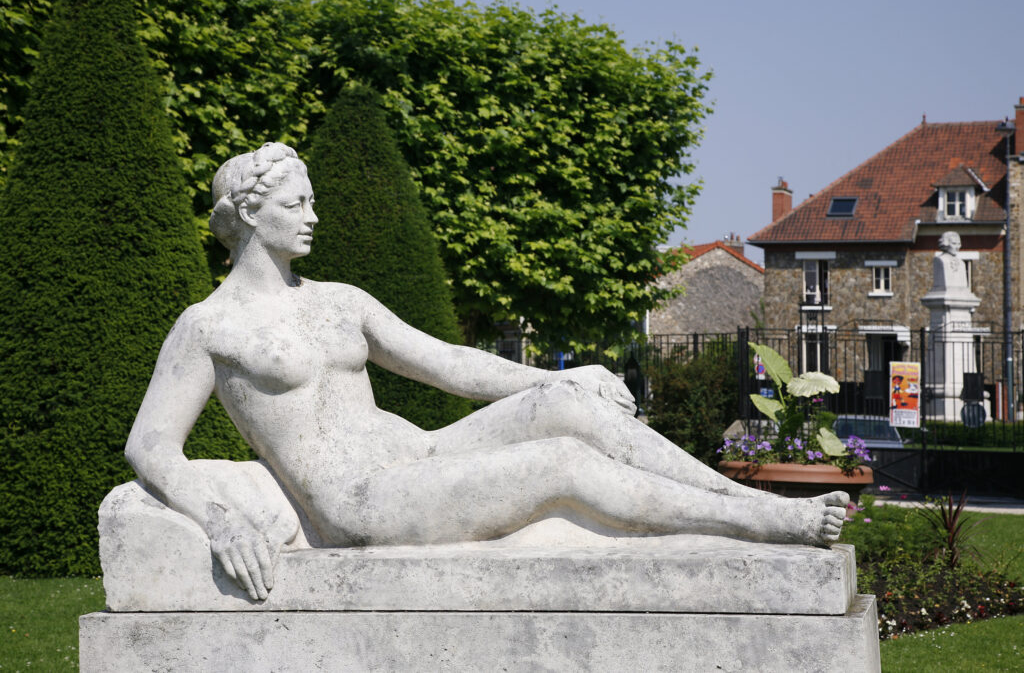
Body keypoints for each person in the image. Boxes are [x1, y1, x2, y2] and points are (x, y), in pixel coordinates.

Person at [125, 142, 848, 601]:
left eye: (312, 200)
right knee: (561, 461)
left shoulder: (340, 301)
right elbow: (150, 444)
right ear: (251, 215)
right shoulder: (209, 326)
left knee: (567, 404)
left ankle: (740, 500)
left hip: (421, 454)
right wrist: (219, 521)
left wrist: (559, 377)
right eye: (296, 203)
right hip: (358, 500)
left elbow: (452, 364)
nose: (314, 215)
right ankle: (765, 519)